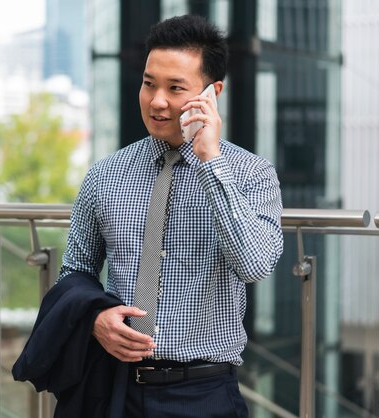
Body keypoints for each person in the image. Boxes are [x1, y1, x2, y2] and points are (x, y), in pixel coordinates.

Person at [58, 14, 284, 417]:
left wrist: (210, 161)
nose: (157, 100)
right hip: (114, 388)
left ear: (212, 93)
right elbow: (75, 270)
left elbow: (253, 265)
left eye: (175, 87)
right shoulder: (105, 174)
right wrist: (95, 318)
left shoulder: (252, 174)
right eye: (149, 83)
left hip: (204, 392)